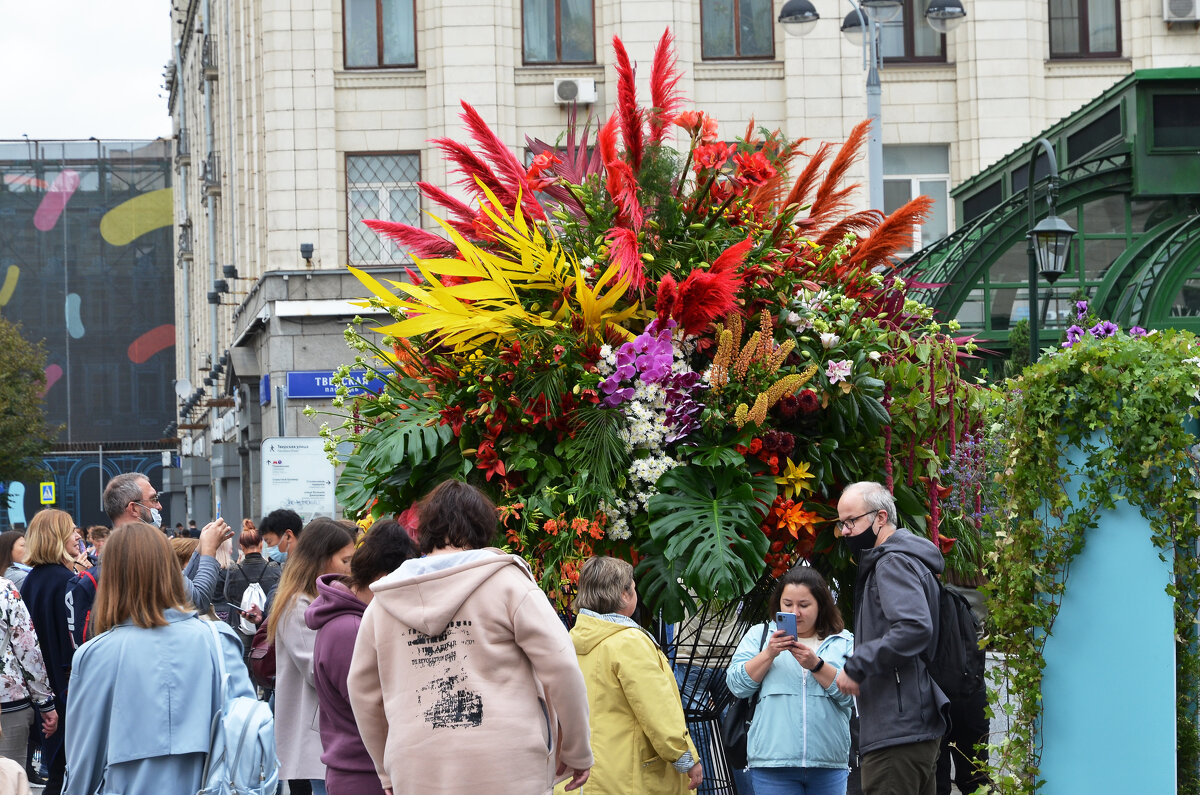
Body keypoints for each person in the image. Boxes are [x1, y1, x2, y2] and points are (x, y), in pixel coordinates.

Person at [348, 480, 593, 794]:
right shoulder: (507, 584)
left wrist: (386, 770)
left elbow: (362, 690)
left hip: (418, 765)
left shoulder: (384, 602)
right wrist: (576, 749)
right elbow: (562, 666)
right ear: (483, 526)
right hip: (508, 764)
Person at [62, 522, 255, 794]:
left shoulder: (95, 655)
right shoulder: (218, 640)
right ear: (171, 570)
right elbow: (246, 731)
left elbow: (84, 759)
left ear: (112, 577)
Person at [833, 482, 948, 795]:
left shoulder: (892, 562)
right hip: (911, 724)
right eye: (841, 524)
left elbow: (914, 627)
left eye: (851, 521)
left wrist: (858, 664)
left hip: (896, 730)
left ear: (880, 517)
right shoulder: (908, 559)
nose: (845, 531)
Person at [563, 556, 701, 794]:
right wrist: (685, 757)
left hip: (582, 779)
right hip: (629, 778)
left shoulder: (570, 642)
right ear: (625, 595)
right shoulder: (629, 642)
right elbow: (657, 709)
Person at [306, 520, 419, 795]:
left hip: (359, 771)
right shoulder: (352, 629)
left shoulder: (351, 620)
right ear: (382, 579)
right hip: (365, 775)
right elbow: (375, 708)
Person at [726, 566, 854, 795]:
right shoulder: (759, 635)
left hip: (828, 764)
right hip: (772, 765)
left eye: (804, 605)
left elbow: (851, 698)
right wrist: (768, 654)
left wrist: (817, 665)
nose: (795, 612)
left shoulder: (842, 641)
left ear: (821, 605)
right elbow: (737, 685)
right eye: (788, 604)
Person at [267, 517, 357, 795]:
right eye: (345, 561)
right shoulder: (298, 606)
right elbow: (316, 668)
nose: (351, 569)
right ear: (321, 560)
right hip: (317, 734)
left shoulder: (316, 602)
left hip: (327, 732)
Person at [20, 509, 87, 795]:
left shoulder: (32, 580)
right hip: (66, 692)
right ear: (55, 537)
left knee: (57, 771)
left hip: (42, 693)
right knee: (67, 775)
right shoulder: (66, 581)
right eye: (71, 530)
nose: (78, 534)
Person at [101, 473, 231, 612]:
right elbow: (197, 601)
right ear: (134, 508)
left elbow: (181, 588)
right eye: (154, 499)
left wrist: (200, 549)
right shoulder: (148, 551)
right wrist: (209, 551)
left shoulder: (110, 554)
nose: (159, 506)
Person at [0, 576, 58, 772]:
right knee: (8, 779)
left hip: (8, 701)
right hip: (7, 700)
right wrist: (45, 703)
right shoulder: (4, 589)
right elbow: (27, 648)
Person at [224, 526, 282, 650]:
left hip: (240, 626)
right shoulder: (273, 568)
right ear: (261, 544)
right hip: (267, 629)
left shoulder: (234, 570)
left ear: (241, 546)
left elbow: (228, 596)